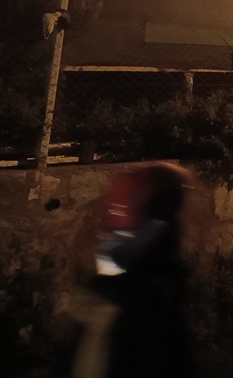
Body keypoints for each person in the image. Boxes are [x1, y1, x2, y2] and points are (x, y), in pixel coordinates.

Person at [64, 162, 195, 378]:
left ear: (146, 211)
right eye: (111, 198)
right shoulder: (116, 265)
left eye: (120, 203)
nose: (107, 206)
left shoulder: (147, 290)